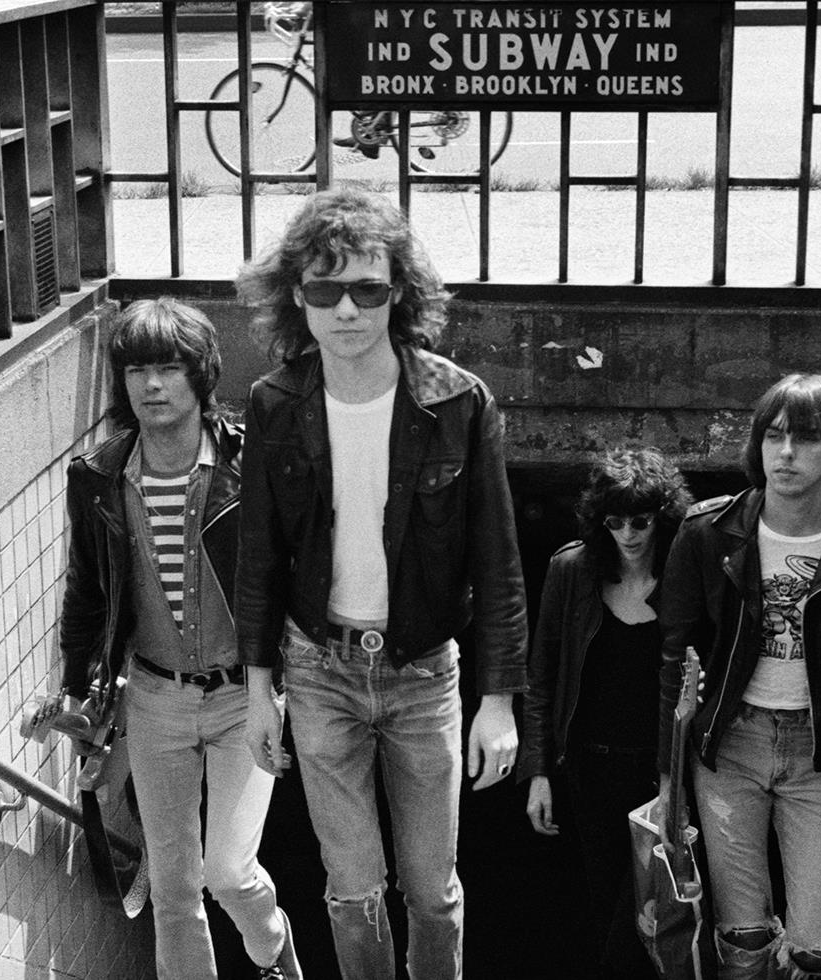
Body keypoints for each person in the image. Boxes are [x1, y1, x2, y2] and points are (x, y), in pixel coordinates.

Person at [233, 186, 529, 980]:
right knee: (352, 888)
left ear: (399, 293)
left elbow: (498, 563)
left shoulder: (457, 402)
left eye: (367, 289)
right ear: (297, 297)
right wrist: (259, 691)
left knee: (431, 892)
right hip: (318, 670)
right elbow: (257, 557)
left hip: (423, 673)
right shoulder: (275, 403)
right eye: (325, 289)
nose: (347, 310)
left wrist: (499, 702)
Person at [57, 298, 302, 980]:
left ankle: (274, 953)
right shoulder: (97, 477)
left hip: (243, 696)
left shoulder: (252, 463)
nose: (152, 385)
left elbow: (296, 573)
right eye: (137, 370)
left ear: (201, 374)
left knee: (229, 872)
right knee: (172, 888)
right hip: (154, 699)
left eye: (168, 368)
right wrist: (77, 690)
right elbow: (87, 590)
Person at [657, 373, 821, 980]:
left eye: (804, 438)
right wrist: (668, 777)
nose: (784, 453)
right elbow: (676, 661)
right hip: (729, 748)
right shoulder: (708, 533)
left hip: (817, 753)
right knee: (743, 939)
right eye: (773, 436)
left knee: (814, 951)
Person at [519, 448, 694, 978]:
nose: (628, 534)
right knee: (606, 902)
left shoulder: (685, 570)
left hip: (662, 771)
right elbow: (542, 675)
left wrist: (680, 774)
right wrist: (538, 772)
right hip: (592, 770)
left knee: (651, 909)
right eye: (614, 522)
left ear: (661, 517)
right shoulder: (572, 571)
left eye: (640, 521)